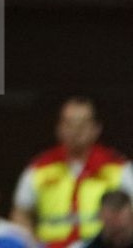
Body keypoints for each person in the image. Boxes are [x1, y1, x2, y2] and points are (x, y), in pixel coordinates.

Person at [13, 97, 133, 247]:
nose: (76, 131)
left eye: (82, 124)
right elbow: (20, 214)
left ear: (96, 128)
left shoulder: (118, 167)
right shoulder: (39, 167)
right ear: (59, 128)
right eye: (69, 124)